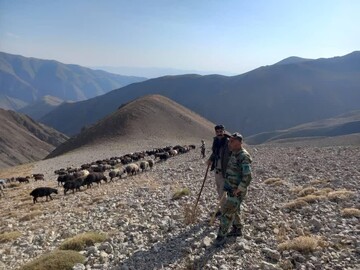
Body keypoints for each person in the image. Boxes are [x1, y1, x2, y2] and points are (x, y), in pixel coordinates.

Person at [214, 132, 252, 247]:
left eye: (232, 141)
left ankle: (221, 237)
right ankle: (237, 228)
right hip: (231, 187)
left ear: (240, 142)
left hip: (237, 190)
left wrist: (239, 189)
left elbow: (248, 176)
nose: (229, 143)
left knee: (227, 212)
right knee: (235, 209)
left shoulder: (243, 156)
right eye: (229, 141)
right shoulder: (234, 153)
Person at [207, 124, 231, 215]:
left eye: (221, 131)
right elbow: (215, 153)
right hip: (217, 170)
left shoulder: (228, 142)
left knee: (222, 192)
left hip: (225, 172)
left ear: (224, 131)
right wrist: (210, 159)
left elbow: (233, 155)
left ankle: (225, 212)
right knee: (219, 191)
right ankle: (223, 209)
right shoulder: (216, 141)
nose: (219, 133)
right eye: (217, 132)